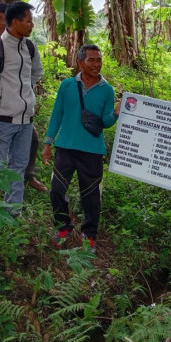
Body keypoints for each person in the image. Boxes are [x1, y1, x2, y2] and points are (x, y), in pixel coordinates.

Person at [42, 44, 120, 253]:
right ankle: (63, 227)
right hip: (65, 147)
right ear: (80, 62)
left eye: (99, 60)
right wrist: (48, 142)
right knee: (56, 189)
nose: (96, 64)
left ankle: (89, 235)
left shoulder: (107, 90)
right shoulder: (67, 85)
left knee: (91, 196)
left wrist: (116, 113)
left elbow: (104, 122)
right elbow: (57, 113)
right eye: (91, 60)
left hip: (92, 151)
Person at [0, 1, 43, 215]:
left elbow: (36, 73)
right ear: (15, 22)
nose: (32, 25)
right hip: (2, 122)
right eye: (28, 21)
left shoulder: (29, 47)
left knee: (18, 167)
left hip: (25, 122)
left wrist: (23, 93)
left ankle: (13, 212)